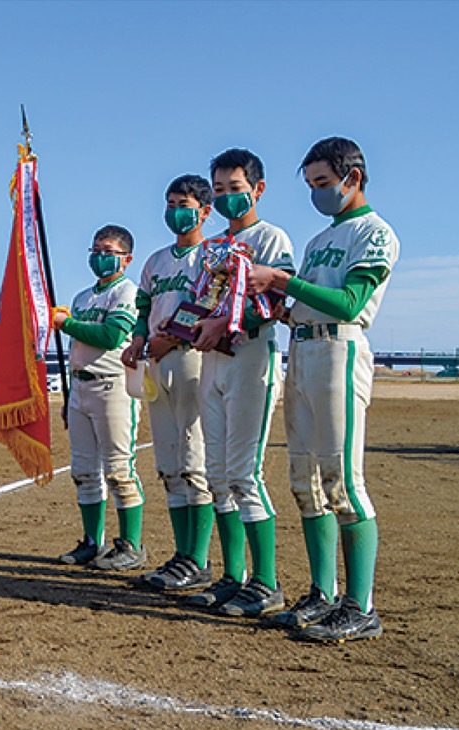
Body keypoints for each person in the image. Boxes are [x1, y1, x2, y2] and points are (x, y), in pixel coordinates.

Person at [247, 137, 399, 643]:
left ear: (353, 178)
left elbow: (350, 302)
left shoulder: (375, 233)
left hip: (341, 350)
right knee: (305, 481)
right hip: (303, 348)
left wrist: (282, 281)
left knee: (343, 482)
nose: (317, 192)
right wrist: (279, 305)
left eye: (323, 182)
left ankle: (361, 605)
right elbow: (306, 303)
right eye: (312, 184)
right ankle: (323, 592)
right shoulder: (317, 241)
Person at [185, 149, 294, 617]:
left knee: (245, 473)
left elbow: (278, 299)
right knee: (217, 474)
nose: (228, 197)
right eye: (220, 190)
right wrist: (189, 326)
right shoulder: (211, 247)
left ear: (258, 189)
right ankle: (233, 575)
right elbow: (201, 298)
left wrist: (225, 323)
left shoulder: (271, 238)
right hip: (213, 361)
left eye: (236, 188)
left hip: (251, 357)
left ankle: (265, 581)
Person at [121, 176, 216, 592]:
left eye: (184, 204)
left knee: (195, 461)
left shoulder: (211, 256)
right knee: (170, 464)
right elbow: (143, 305)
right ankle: (181, 555)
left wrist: (172, 337)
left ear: (204, 211)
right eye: (171, 203)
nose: (176, 211)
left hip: (193, 359)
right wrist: (139, 339)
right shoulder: (156, 261)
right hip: (157, 362)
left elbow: (209, 302)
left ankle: (199, 558)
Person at [53, 225, 145, 571]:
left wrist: (65, 323)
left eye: (108, 251)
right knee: (84, 470)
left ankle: (131, 545)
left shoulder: (127, 292)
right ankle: (93, 542)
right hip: (81, 388)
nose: (100, 257)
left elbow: (111, 336)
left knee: (119, 470)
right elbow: (76, 348)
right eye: (95, 250)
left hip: (112, 387)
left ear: (126, 258)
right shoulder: (82, 298)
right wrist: (68, 397)